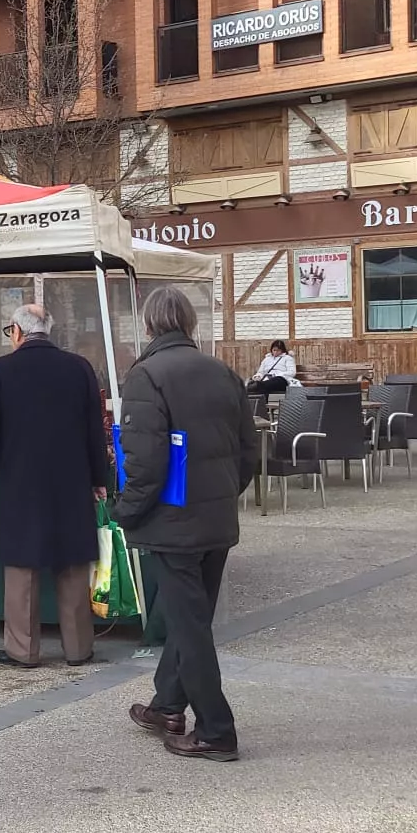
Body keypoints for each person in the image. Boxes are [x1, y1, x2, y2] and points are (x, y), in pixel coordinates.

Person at [116, 288, 258, 763]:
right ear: (190, 324)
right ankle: (168, 706)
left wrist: (126, 512)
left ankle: (217, 730)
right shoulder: (223, 372)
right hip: (215, 517)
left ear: (150, 325)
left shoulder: (146, 375)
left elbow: (144, 461)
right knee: (190, 621)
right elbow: (249, 454)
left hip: (172, 522)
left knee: (190, 628)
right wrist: (220, 494)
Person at [0, 304, 111, 669]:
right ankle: (79, 648)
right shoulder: (79, 368)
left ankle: (23, 650)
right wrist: (99, 477)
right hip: (71, 481)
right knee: (72, 563)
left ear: (17, 331)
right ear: (47, 330)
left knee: (22, 569)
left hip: (19, 483)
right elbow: (95, 430)